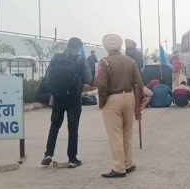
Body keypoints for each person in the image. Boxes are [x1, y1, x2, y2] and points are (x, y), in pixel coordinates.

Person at [96, 34, 145, 178]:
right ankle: (128, 163)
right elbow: (139, 83)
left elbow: (102, 84)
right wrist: (139, 103)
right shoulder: (130, 61)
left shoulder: (104, 62)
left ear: (106, 47)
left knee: (115, 134)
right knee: (127, 132)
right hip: (129, 97)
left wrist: (102, 102)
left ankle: (119, 167)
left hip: (112, 98)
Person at [41, 37, 93, 168]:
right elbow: (89, 78)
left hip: (58, 96)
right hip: (74, 98)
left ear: (68, 45)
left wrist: (55, 90)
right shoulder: (80, 59)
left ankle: (48, 154)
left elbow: (47, 78)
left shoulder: (56, 58)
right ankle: (72, 159)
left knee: (54, 125)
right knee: (73, 128)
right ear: (79, 47)